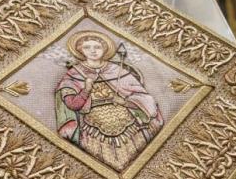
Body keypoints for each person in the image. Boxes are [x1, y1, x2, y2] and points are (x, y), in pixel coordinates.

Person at [55, 31, 163, 170]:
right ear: (80, 50)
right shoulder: (73, 74)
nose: (93, 51)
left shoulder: (117, 70)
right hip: (93, 130)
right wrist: (86, 89)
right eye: (87, 47)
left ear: (105, 49)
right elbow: (72, 105)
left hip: (130, 127)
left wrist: (125, 102)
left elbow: (143, 96)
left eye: (97, 47)